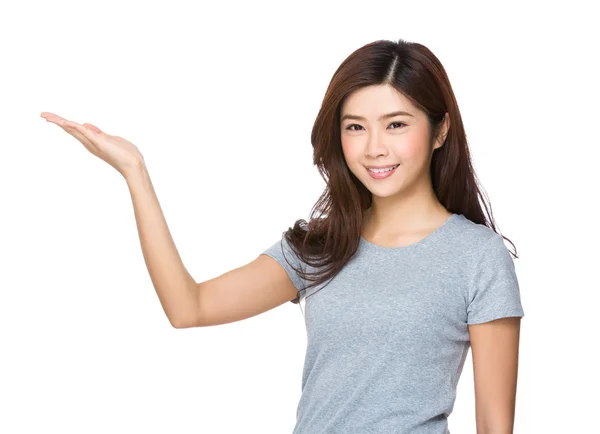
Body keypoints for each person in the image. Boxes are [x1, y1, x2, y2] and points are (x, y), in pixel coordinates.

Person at [41, 38, 524, 434]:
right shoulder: (319, 248)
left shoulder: (476, 257)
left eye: (396, 125)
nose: (375, 148)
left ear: (440, 131)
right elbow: (189, 307)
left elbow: (495, 427)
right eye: (355, 127)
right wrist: (135, 172)